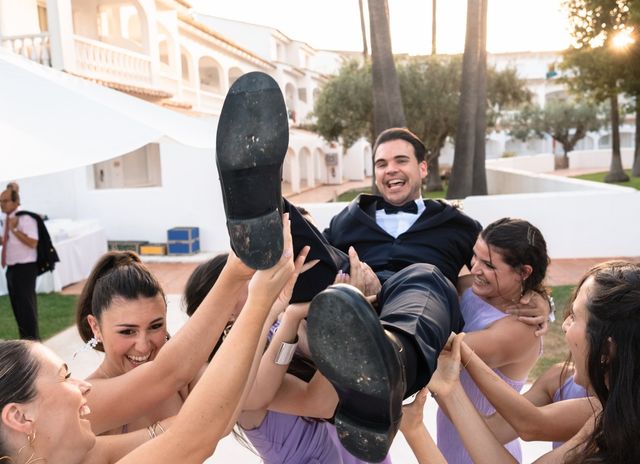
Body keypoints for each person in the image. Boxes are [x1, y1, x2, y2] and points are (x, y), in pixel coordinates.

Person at [215, 71, 550, 461]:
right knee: (305, 250)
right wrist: (352, 288)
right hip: (357, 304)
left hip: (418, 300)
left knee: (424, 276)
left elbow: (485, 274)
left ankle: (387, 363)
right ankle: (259, 199)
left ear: (423, 169)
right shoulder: (347, 219)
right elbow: (324, 267)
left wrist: (540, 300)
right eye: (381, 163)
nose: (390, 169)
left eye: (401, 161)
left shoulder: (457, 224)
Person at [0, 229, 296, 464]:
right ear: (18, 416)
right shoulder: (90, 414)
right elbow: (188, 419)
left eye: (156, 325)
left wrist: (272, 312)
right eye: (65, 377)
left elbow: (219, 414)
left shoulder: (86, 450)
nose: (81, 386)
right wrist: (246, 289)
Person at [184, 252, 393, 464]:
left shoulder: (279, 324)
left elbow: (343, 359)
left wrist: (356, 301)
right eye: (249, 280)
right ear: (226, 310)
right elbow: (320, 402)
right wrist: (347, 314)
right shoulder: (225, 373)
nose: (260, 281)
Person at [425, 260, 640, 463]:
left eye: (574, 317)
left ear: (607, 348)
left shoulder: (603, 417)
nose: (564, 324)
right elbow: (509, 426)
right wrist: (450, 388)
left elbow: (530, 424)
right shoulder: (605, 419)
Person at [74, 248, 257, 435]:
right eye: (127, 331)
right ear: (95, 327)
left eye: (155, 326)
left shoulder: (183, 380)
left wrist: (265, 310)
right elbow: (166, 377)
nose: (143, 345)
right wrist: (233, 275)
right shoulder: (85, 400)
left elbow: (231, 405)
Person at [436, 217, 549, 463]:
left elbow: (440, 352)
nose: (475, 268)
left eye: (488, 264)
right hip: (451, 446)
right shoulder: (474, 289)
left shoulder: (520, 330)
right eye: (474, 257)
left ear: (524, 272)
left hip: (480, 454)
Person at [0, 184, 39, 340]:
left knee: (26, 309)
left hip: (25, 268)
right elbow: (6, 241)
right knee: (18, 309)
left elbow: (33, 242)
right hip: (12, 268)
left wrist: (15, 230)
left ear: (16, 202)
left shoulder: (25, 218)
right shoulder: (7, 218)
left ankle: (33, 344)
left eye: (5, 201)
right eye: (0, 201)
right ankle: (25, 343)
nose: (1, 204)